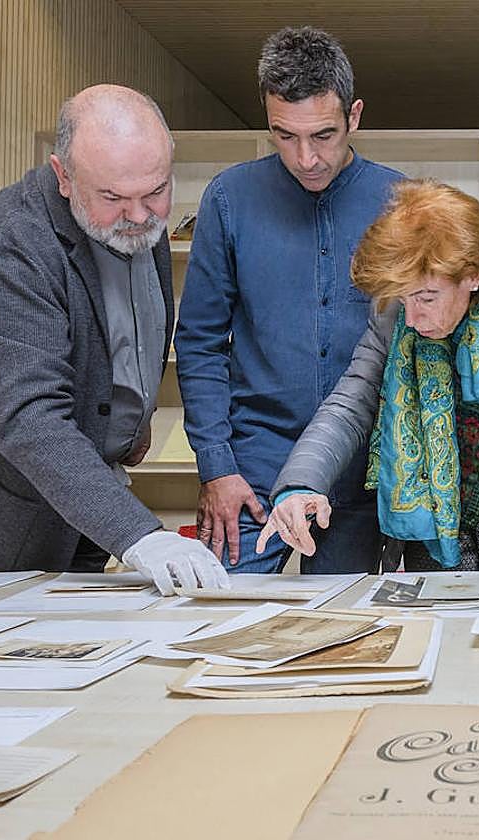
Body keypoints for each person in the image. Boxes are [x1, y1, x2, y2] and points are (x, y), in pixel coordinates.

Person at [0, 85, 227, 595]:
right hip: (3, 516)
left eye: (156, 192)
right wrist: (142, 535)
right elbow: (30, 416)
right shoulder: (8, 240)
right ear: (64, 177)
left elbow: (132, 328)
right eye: (115, 198)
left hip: (90, 498)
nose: (140, 216)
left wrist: (131, 420)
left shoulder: (140, 222)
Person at [258, 179, 479, 574]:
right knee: (441, 628)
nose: (412, 318)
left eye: (427, 298)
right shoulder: (396, 316)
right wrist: (301, 484)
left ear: (473, 275)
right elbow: (350, 403)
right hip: (432, 517)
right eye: (404, 298)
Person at [175, 26, 401, 574]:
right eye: (284, 136)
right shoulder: (229, 199)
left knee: (347, 634)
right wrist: (215, 467)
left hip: (362, 467)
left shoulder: (401, 202)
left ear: (355, 116)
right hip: (251, 470)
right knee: (221, 627)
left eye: (323, 135)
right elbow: (200, 344)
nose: (306, 158)